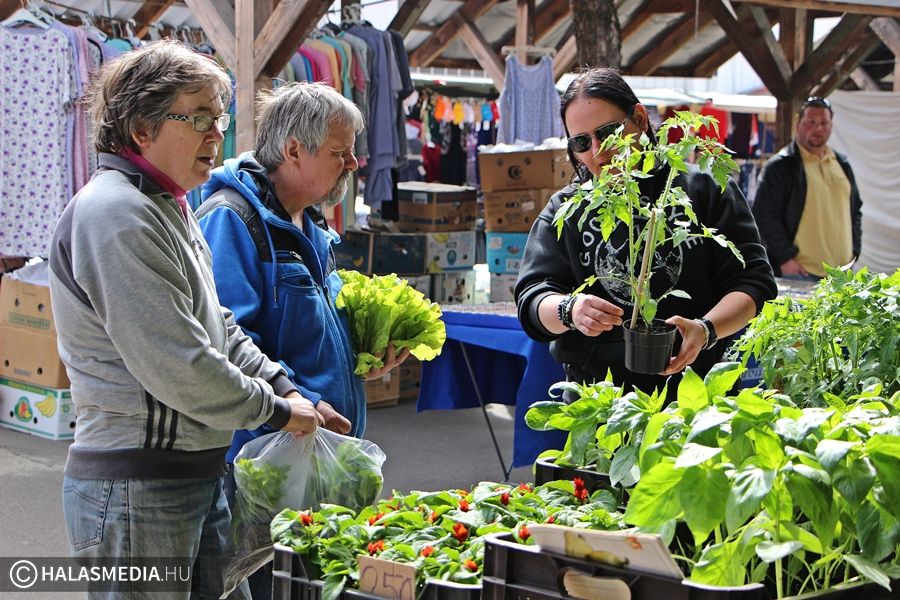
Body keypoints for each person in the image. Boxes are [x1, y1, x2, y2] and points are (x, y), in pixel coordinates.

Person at [48, 40, 323, 600]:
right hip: (137, 487)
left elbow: (216, 324)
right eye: (198, 118)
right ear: (141, 129)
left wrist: (284, 387)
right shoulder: (117, 213)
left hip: (188, 475)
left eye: (219, 119)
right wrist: (276, 411)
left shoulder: (166, 204)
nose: (216, 134)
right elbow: (180, 364)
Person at [195, 82, 407, 598]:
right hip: (265, 464)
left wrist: (362, 359)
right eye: (340, 152)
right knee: (273, 584)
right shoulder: (232, 219)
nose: (353, 163)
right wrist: (301, 399)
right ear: (294, 149)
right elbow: (230, 341)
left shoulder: (309, 221)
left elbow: (310, 327)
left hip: (317, 457)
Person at [515, 68, 777, 397]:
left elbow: (753, 282)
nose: (597, 152)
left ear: (639, 119)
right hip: (598, 403)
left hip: (698, 398)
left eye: (608, 133)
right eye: (581, 141)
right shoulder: (566, 209)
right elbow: (532, 298)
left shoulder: (703, 190)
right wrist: (570, 310)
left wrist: (706, 330)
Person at [752, 96, 863, 280]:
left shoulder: (842, 164)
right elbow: (764, 215)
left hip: (841, 274)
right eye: (811, 122)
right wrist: (785, 258)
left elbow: (856, 210)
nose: (818, 128)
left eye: (823, 123)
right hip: (801, 273)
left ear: (831, 126)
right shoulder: (782, 165)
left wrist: (855, 250)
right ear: (798, 124)